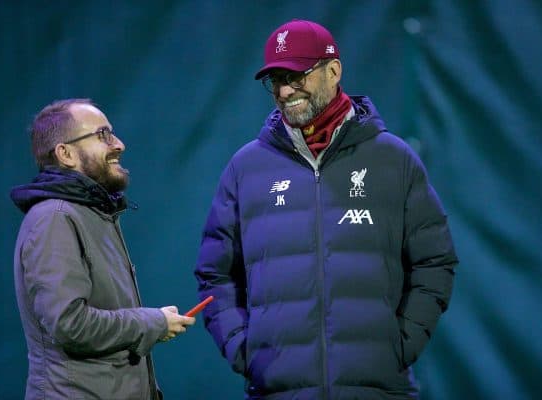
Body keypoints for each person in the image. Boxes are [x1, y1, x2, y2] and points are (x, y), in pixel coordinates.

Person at [194, 19, 458, 400]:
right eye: (276, 80)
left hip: (378, 389)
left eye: (297, 76)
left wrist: (399, 347)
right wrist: (247, 352)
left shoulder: (393, 159)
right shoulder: (245, 167)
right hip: (278, 391)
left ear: (333, 71)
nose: (285, 91)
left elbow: (435, 261)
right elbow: (215, 273)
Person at [11, 98, 195, 400]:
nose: (118, 144)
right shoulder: (54, 218)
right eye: (102, 135)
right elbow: (70, 324)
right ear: (66, 153)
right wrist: (152, 323)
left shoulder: (91, 212)